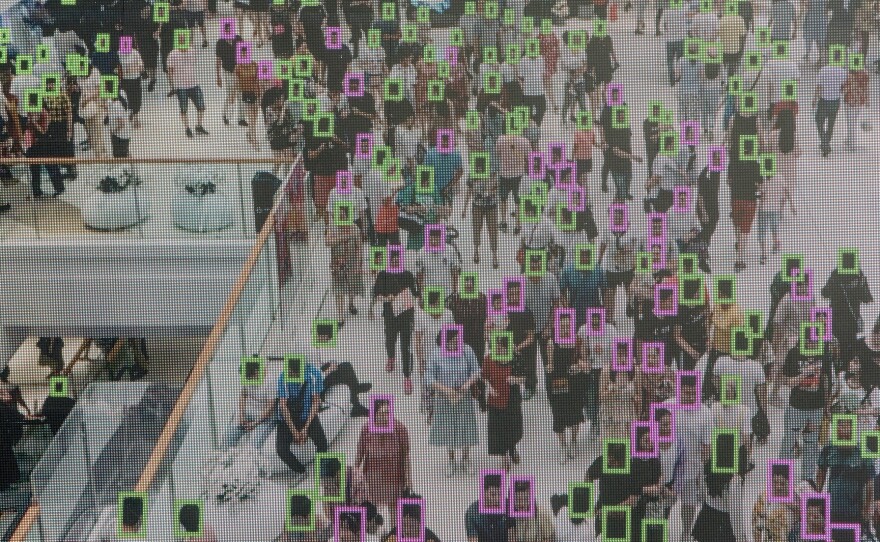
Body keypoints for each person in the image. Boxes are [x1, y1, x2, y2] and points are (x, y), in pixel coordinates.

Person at [779, 332, 834, 481]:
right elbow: (786, 381)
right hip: (796, 407)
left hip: (816, 408)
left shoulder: (824, 354)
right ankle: (783, 477)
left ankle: (808, 478)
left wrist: (827, 406)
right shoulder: (794, 353)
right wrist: (804, 374)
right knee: (789, 441)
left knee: (811, 443)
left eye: (816, 341)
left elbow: (827, 381)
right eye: (810, 341)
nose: (813, 344)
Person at [426, 330, 481, 477]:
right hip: (445, 398)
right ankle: (451, 459)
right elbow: (429, 378)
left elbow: (476, 371)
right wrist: (445, 389)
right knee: (448, 428)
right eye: (452, 341)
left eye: (458, 340)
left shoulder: (467, 350)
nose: (456, 343)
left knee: (466, 427)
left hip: (464, 395)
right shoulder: (436, 354)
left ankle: (466, 458)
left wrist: (467, 384)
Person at [355, 398, 412, 520]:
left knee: (394, 512)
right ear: (374, 414)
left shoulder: (400, 429)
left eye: (389, 412)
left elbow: (406, 455)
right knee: (372, 511)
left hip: (393, 477)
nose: (387, 416)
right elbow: (360, 451)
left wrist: (408, 479)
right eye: (383, 413)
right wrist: (355, 472)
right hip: (373, 478)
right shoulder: (366, 429)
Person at [373, 250, 420, 391]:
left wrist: (412, 298)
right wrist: (389, 299)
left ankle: (407, 376)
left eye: (397, 259)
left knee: (406, 346)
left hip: (406, 316)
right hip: (390, 316)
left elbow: (416, 294)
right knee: (390, 340)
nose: (395, 261)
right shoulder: (383, 275)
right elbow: (377, 295)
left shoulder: (408, 275)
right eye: (392, 259)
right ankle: (391, 358)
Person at [816, 416, 875, 528]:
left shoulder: (864, 451)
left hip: (855, 512)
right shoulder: (829, 448)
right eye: (840, 427)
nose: (842, 430)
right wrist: (817, 498)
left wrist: (867, 508)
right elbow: (821, 473)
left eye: (846, 427)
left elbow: (870, 482)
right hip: (833, 509)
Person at [276, 358, 328, 475]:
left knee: (322, 443)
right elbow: (283, 406)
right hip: (287, 417)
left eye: (293, 373)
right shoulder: (282, 377)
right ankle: (300, 471)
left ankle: (321, 471)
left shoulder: (314, 375)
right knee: (281, 449)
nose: (290, 375)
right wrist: (294, 432)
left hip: (306, 414)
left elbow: (315, 402)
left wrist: (305, 428)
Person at [482, 337, 525, 471]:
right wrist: (488, 386)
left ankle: (512, 448)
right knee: (499, 430)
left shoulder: (515, 358)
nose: (500, 349)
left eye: (503, 346)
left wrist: (515, 379)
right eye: (498, 346)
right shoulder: (489, 359)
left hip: (512, 398)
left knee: (513, 427)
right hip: (496, 400)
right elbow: (483, 377)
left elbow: (526, 378)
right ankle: (504, 456)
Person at [226, 358, 280, 449]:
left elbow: (270, 407)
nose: (247, 379)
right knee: (229, 437)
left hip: (267, 417)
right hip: (249, 413)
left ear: (256, 372)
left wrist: (255, 423)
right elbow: (243, 395)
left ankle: (251, 458)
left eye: (249, 376)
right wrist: (241, 416)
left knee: (254, 444)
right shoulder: (247, 377)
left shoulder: (271, 381)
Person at [167, 44, 208, 138]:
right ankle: (187, 128)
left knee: (201, 106)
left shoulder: (192, 51)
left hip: (194, 84)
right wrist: (172, 86)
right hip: (181, 86)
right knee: (184, 109)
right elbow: (170, 71)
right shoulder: (172, 54)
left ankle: (199, 126)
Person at [465, 474, 517, 541]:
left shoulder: (509, 506)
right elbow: (473, 539)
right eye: (493, 494)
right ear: (484, 493)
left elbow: (513, 536)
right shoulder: (473, 513)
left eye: (500, 494)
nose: (498, 499)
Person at [813, 59, 847, 157]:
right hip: (836, 101)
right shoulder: (843, 71)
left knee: (819, 121)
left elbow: (819, 87)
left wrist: (814, 99)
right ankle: (826, 142)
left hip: (824, 101)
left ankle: (824, 143)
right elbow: (843, 87)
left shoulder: (823, 69)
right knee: (831, 124)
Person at [842, 64, 868, 151]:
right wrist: (867, 100)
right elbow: (866, 88)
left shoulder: (848, 75)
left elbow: (844, 89)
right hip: (860, 101)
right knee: (854, 121)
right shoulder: (865, 73)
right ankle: (849, 140)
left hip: (850, 101)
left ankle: (851, 143)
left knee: (850, 123)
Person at [107, 91, 133, 158]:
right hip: (122, 134)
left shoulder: (117, 106)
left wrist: (113, 132)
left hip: (120, 135)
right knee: (123, 153)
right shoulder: (114, 103)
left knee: (120, 156)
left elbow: (121, 124)